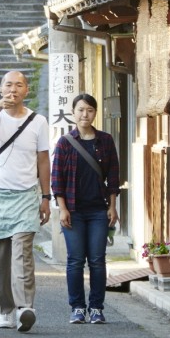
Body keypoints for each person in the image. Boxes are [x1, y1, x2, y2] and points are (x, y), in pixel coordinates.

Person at [0, 70, 51, 332]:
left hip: (26, 194)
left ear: (26, 90)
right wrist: (0, 105)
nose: (13, 89)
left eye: (19, 85)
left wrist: (46, 196)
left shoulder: (38, 121)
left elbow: (43, 159)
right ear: (0, 88)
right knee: (0, 255)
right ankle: (5, 310)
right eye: (8, 85)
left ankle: (25, 307)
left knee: (23, 250)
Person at [50, 93, 120, 324]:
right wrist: (63, 209)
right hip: (74, 210)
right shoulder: (65, 143)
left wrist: (113, 207)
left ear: (95, 113)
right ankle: (78, 307)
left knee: (98, 260)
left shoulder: (106, 141)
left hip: (99, 210)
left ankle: (97, 308)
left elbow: (113, 176)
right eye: (80, 110)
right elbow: (56, 180)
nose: (84, 114)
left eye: (89, 110)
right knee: (75, 260)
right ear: (73, 112)